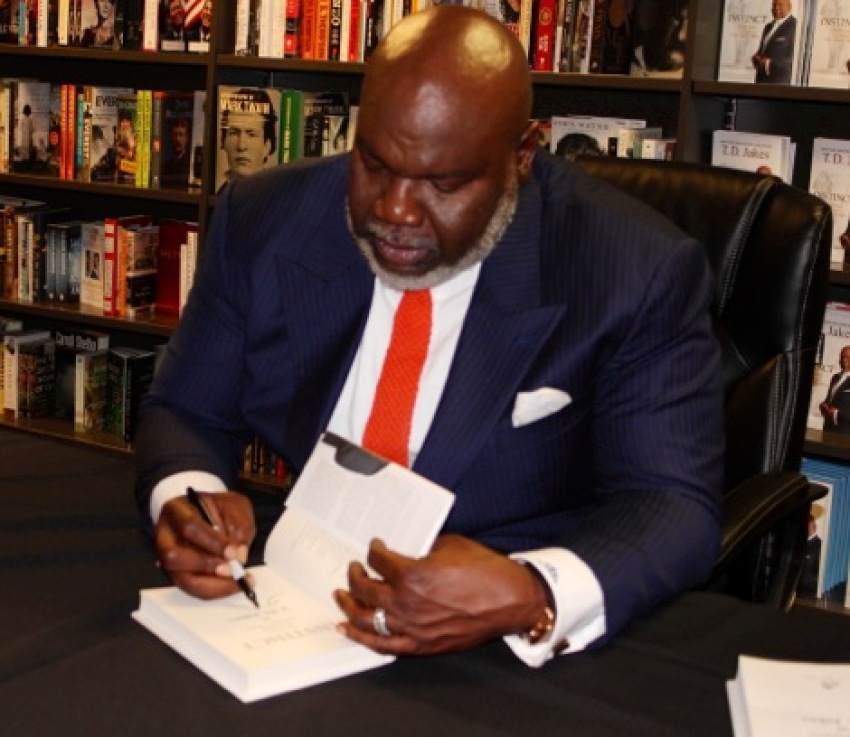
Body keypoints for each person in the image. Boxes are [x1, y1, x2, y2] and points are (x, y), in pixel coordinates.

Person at [135, 6, 723, 665]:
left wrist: (534, 592)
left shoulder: (631, 270)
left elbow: (671, 502)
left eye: (444, 183)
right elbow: (186, 407)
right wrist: (187, 498)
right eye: (376, 165)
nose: (394, 210)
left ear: (522, 156)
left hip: (494, 637)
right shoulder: (266, 218)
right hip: (294, 595)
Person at [216, 87, 278, 192]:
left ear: (267, 145)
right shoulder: (219, 196)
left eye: (251, 134)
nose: (241, 146)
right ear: (224, 141)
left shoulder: (275, 198)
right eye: (234, 133)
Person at [751, 0, 798, 84]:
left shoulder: (795, 26)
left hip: (779, 83)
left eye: (780, 5)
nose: (776, 8)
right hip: (761, 82)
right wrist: (757, 58)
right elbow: (763, 51)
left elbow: (794, 59)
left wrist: (769, 63)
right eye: (774, 5)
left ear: (789, 7)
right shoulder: (768, 27)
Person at [820, 345, 850, 433]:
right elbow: (830, 400)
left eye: (848, 357)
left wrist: (836, 413)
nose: (844, 359)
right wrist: (824, 405)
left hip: (845, 432)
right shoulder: (835, 377)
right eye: (842, 357)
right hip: (828, 429)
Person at [162, 116, 191, 185]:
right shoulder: (165, 165)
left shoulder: (190, 163)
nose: (177, 139)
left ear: (186, 138)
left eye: (181, 135)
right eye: (175, 135)